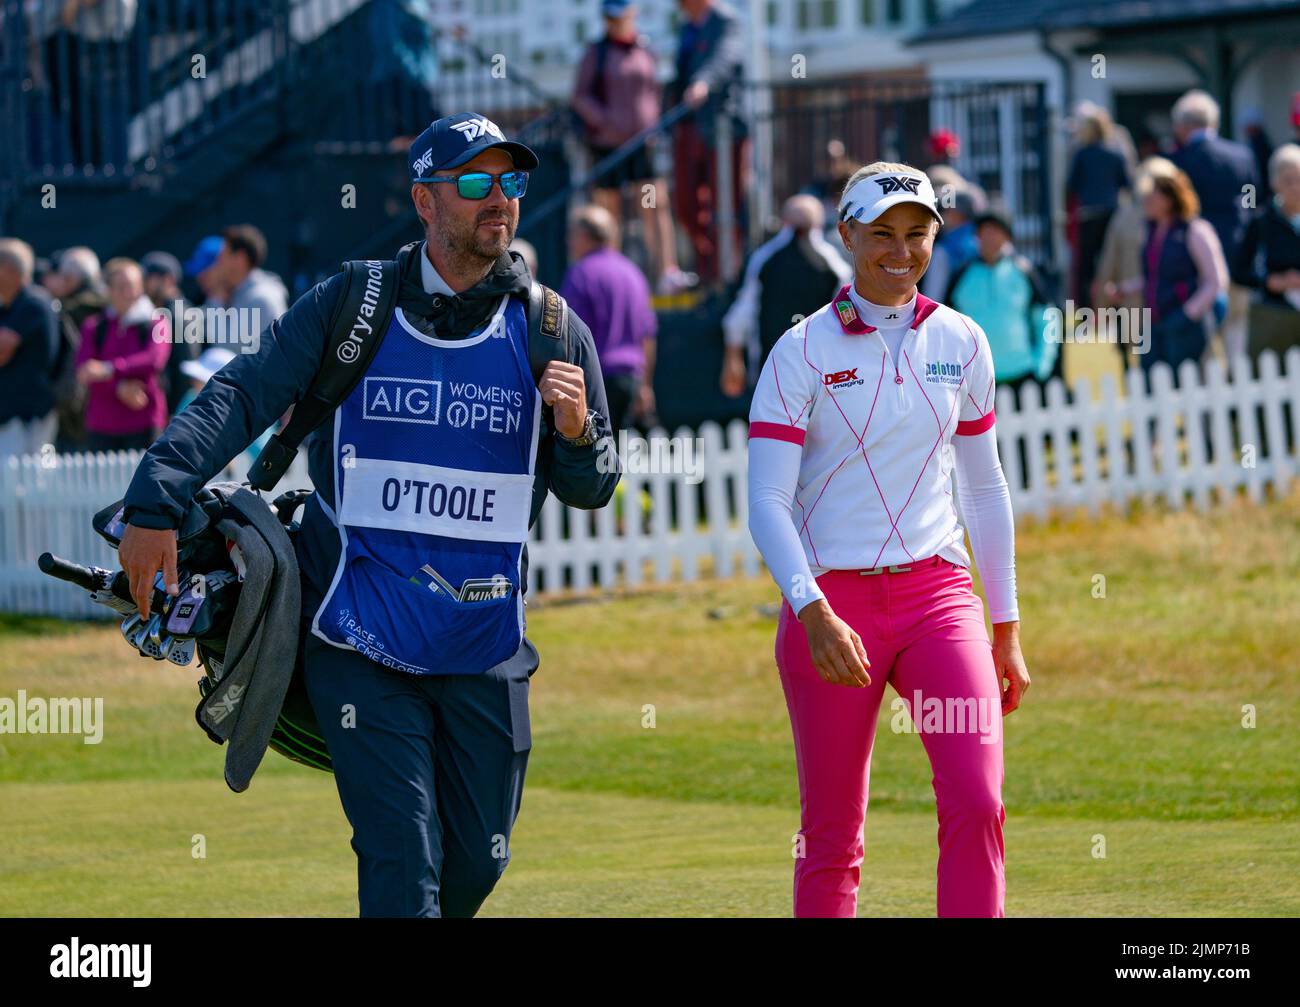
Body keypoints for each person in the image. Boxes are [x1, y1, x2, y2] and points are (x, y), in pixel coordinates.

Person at [116, 111, 619, 918]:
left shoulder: (551, 328)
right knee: (401, 855)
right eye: (476, 181)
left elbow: (595, 485)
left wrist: (575, 431)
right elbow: (243, 393)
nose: (500, 199)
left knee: (477, 865)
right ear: (426, 201)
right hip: (357, 636)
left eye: (512, 182)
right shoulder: (354, 303)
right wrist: (155, 500)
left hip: (484, 648)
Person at [747, 161, 1029, 918]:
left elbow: (985, 487)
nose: (899, 251)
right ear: (846, 235)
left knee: (977, 797)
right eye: (881, 235)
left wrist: (1005, 625)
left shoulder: (963, 340)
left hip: (940, 598)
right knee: (833, 834)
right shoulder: (800, 351)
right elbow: (766, 500)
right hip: (831, 605)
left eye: (917, 234)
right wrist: (810, 609)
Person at [572, 0, 693, 295]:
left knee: (654, 205)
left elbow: (655, 92)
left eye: (620, 17)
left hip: (642, 146)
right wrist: (604, 121)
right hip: (607, 148)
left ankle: (667, 273)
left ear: (632, 15)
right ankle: (610, 278)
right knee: (608, 213)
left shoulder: (645, 49)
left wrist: (654, 124)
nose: (614, 23)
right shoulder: (596, 52)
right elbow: (580, 96)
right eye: (609, 18)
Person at [1107, 158, 1227, 386]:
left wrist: (1189, 313)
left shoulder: (1195, 231)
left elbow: (1215, 280)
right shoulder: (1151, 232)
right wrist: (1127, 288)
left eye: (1152, 196)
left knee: (1189, 387)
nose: (1146, 202)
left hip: (1183, 323)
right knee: (1150, 385)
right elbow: (1156, 277)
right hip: (1154, 321)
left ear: (1169, 199)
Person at [720, 194, 850, 397]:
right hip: (798, 373)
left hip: (798, 374)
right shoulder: (833, 262)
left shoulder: (765, 257)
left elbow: (741, 313)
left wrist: (732, 358)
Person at [1169, 89, 1258, 361]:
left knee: (1205, 340)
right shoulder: (1241, 156)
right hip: (1238, 254)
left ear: (1183, 126)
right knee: (1237, 336)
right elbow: (1251, 201)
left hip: (1197, 265)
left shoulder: (1178, 163)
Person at [665, 0, 747, 285]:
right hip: (691, 128)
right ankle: (710, 266)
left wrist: (703, 83)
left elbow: (725, 58)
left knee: (727, 204)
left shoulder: (727, 20)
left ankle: (726, 273)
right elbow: (679, 74)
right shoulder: (688, 26)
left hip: (725, 128)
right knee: (686, 205)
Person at [946, 208, 1056, 407]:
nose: (989, 237)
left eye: (995, 231)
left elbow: (1047, 317)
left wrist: (1043, 363)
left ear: (1007, 236)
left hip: (1023, 374)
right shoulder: (962, 276)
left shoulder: (1023, 271)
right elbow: (947, 326)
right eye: (984, 231)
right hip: (979, 379)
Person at [561, 205, 657, 434]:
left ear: (583, 236)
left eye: (571, 235)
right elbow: (648, 335)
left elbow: (568, 334)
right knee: (616, 457)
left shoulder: (581, 273)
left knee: (594, 458)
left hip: (596, 379)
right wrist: (645, 385)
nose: (569, 243)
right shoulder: (633, 272)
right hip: (631, 379)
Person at [75, 257, 171, 452]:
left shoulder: (156, 321)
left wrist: (108, 369)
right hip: (101, 426)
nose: (129, 293)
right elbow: (85, 371)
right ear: (108, 290)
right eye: (121, 287)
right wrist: (118, 387)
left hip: (144, 423)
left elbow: (154, 360)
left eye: (134, 286)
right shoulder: (94, 326)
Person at [1233, 143, 1300, 355]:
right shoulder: (1261, 221)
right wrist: (1271, 281)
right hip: (1273, 316)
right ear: (1274, 183)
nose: (1296, 187)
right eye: (1288, 180)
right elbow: (1240, 271)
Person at [1065, 102, 1131, 310]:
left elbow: (1072, 185)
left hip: (1088, 215)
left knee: (1086, 266)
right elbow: (1127, 183)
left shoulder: (1082, 153)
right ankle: (1114, 307)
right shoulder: (1116, 153)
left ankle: (1087, 310)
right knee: (1112, 263)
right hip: (1112, 214)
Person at [0, 238, 61, 459]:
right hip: (11, 418)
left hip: (30, 418)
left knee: (33, 485)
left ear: (7, 269)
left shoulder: (33, 303)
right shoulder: (8, 306)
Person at [41, 245, 106, 451]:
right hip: (115, 405)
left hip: (74, 404)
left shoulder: (63, 311)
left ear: (70, 279)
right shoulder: (116, 307)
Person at [141, 251, 196, 416]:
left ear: (168, 279)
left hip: (174, 412)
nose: (142, 284)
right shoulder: (162, 310)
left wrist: (175, 414)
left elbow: (186, 369)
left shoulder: (180, 314)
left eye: (148, 278)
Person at [214, 225, 289, 329]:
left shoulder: (260, 299)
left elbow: (226, 343)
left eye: (223, 255)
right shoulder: (242, 292)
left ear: (240, 259)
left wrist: (216, 300)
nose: (218, 261)